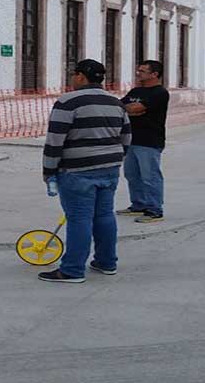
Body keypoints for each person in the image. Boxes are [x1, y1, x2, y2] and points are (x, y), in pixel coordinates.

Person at [39, 59, 131, 283]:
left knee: (79, 218)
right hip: (109, 168)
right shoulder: (116, 102)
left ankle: (72, 270)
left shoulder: (68, 102)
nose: (72, 78)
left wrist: (48, 170)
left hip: (77, 171)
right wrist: (114, 158)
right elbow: (126, 136)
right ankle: (106, 262)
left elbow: (55, 140)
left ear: (80, 76)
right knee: (104, 215)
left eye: (74, 74)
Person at [118, 60, 170, 223]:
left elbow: (134, 109)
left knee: (150, 176)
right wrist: (132, 109)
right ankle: (138, 204)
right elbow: (120, 106)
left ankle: (155, 209)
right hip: (131, 139)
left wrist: (132, 109)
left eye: (142, 71)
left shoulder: (159, 93)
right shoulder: (136, 90)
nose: (138, 73)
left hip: (149, 140)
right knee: (132, 174)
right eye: (138, 70)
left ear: (154, 74)